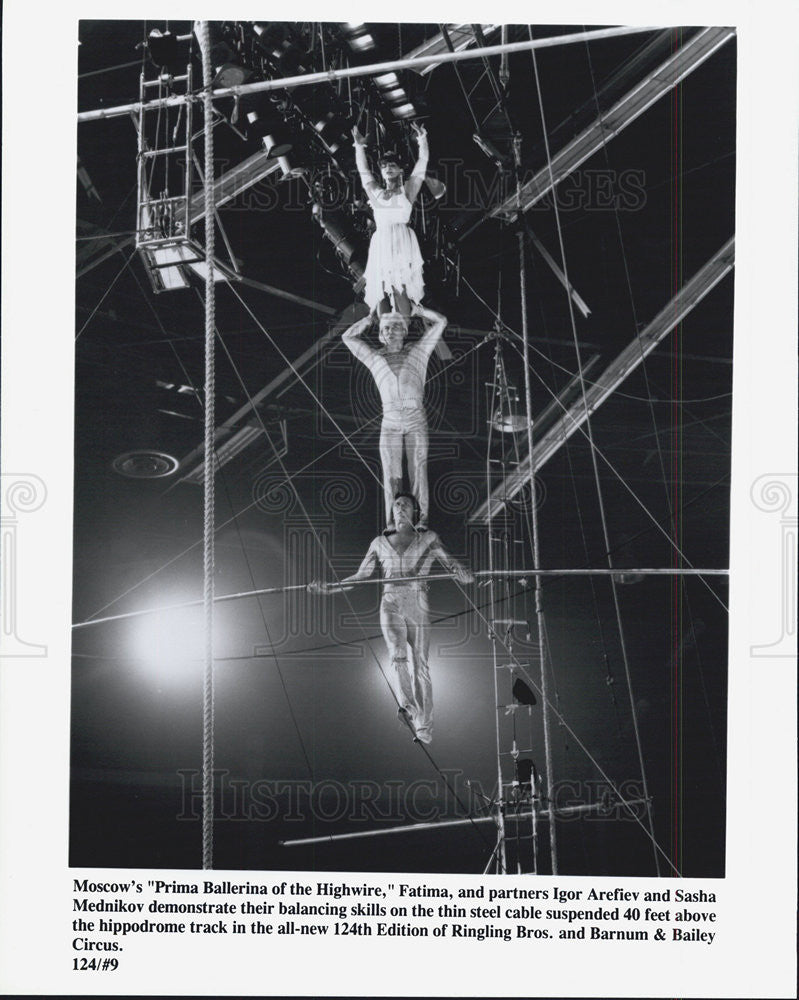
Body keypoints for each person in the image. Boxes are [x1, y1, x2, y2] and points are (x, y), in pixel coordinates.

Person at [308, 493, 474, 743]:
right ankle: (408, 708)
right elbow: (361, 575)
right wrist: (330, 587)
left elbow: (450, 563)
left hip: (418, 601)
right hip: (390, 601)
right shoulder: (378, 543)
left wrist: (463, 573)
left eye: (405, 504)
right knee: (397, 652)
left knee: (421, 664)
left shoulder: (428, 538)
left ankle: (424, 726)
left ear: (415, 511)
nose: (399, 508)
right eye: (396, 504)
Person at [342, 304, 446, 529]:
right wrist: (367, 321)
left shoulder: (418, 351)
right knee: (391, 472)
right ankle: (391, 521)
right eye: (386, 328)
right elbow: (347, 337)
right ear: (380, 335)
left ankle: (423, 518)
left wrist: (419, 312)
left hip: (415, 417)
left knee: (418, 467)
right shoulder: (374, 357)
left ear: (405, 331)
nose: (390, 331)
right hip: (389, 421)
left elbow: (441, 322)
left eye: (396, 327)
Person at [352, 123, 428, 316]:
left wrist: (422, 140)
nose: (388, 169)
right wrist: (359, 147)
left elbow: (422, 164)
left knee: (400, 284)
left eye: (393, 166)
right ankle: (385, 333)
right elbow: (364, 172)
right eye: (385, 166)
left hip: (403, 238)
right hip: (382, 240)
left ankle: (402, 327)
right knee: (381, 284)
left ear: (401, 170)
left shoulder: (408, 190)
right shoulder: (375, 193)